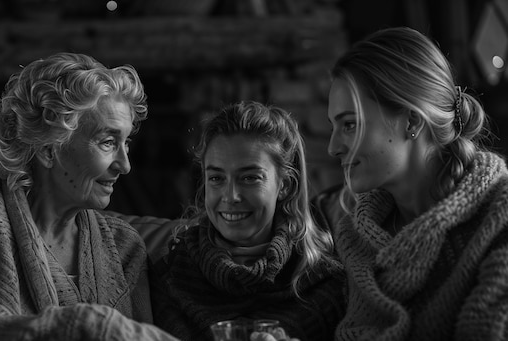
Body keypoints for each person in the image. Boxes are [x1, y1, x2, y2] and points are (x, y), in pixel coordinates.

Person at [0, 52, 177, 340]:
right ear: (50, 149)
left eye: (126, 144)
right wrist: (94, 325)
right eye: (108, 142)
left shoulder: (124, 246)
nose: (125, 165)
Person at [327, 26, 508, 340]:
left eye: (350, 124)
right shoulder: (354, 238)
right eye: (334, 126)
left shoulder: (499, 219)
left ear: (411, 121)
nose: (332, 147)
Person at [151, 101, 346, 341]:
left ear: (285, 185)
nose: (231, 196)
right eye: (216, 178)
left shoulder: (325, 283)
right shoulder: (170, 275)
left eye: (250, 177)